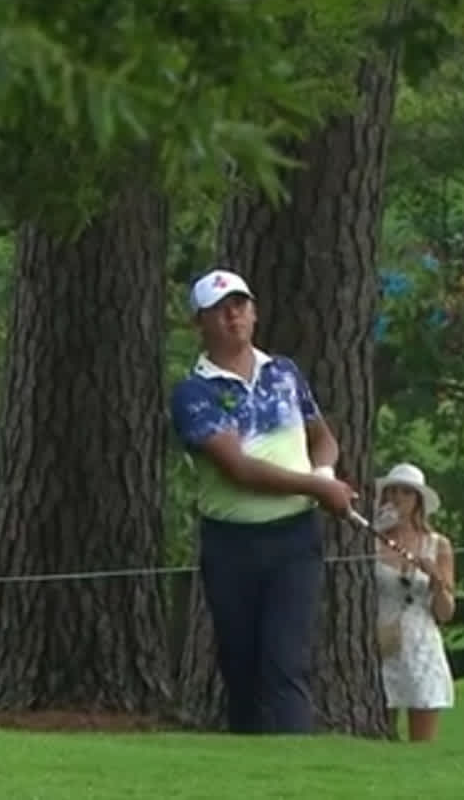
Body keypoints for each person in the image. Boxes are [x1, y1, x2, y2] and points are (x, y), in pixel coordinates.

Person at [170, 269, 356, 735]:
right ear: (200, 322)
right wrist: (318, 489)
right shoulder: (195, 393)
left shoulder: (284, 373)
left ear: (254, 312)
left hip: (294, 539)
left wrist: (324, 474)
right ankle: (248, 763)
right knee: (241, 668)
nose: (232, 315)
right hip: (232, 545)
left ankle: (295, 765)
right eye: (219, 309)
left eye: (240, 305)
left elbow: (322, 438)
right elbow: (238, 468)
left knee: (285, 663)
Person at [371, 463, 456, 741]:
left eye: (406, 492)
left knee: (422, 731)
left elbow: (445, 613)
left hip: (420, 640)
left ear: (418, 501)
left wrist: (436, 580)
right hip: (382, 637)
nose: (397, 498)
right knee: (379, 726)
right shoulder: (371, 542)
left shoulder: (437, 544)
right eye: (392, 491)